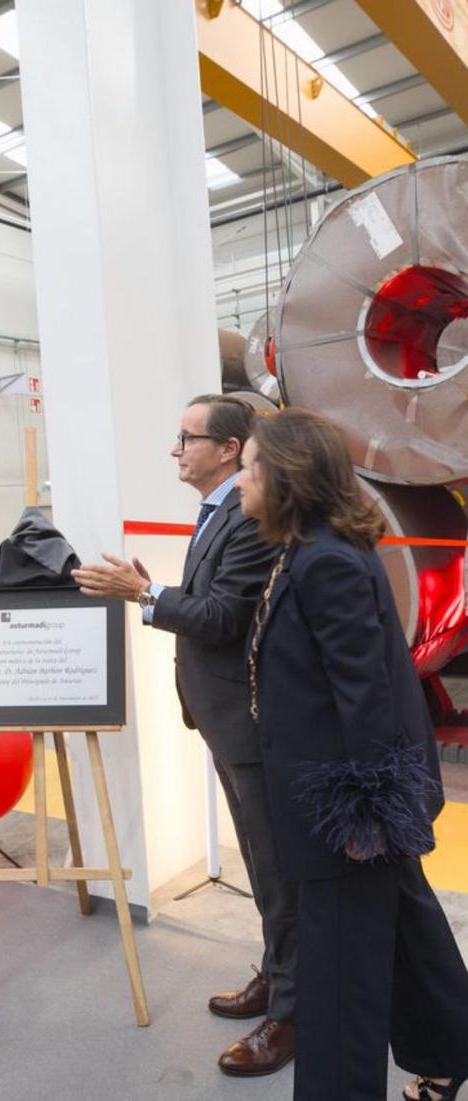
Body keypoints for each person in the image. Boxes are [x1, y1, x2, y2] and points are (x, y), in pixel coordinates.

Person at [238, 408, 468, 1101]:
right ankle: (449, 1048)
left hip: (346, 812)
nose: (242, 478)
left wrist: (365, 820)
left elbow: (365, 697)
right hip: (348, 799)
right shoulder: (310, 548)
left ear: (286, 476)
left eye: (250, 465)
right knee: (408, 937)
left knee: (340, 978)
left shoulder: (326, 561)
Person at [72, 394, 299, 1076]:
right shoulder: (220, 510)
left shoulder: (249, 514)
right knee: (262, 867)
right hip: (221, 716)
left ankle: (291, 1012)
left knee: (276, 871)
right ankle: (277, 972)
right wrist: (155, 591)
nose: (176, 449)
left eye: (186, 437)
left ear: (230, 450)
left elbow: (227, 617)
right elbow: (212, 603)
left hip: (249, 721)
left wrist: (143, 597)